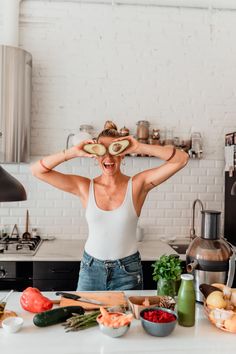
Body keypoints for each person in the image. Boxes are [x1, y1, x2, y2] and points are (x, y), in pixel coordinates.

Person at [31, 121, 189, 291]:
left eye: (115, 151)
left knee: (126, 318)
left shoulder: (137, 185)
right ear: (95, 155)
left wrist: (138, 147)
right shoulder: (85, 187)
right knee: (85, 316)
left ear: (122, 154)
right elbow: (37, 171)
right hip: (90, 270)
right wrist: (72, 152)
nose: (108, 158)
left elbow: (181, 159)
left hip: (127, 272)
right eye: (102, 152)